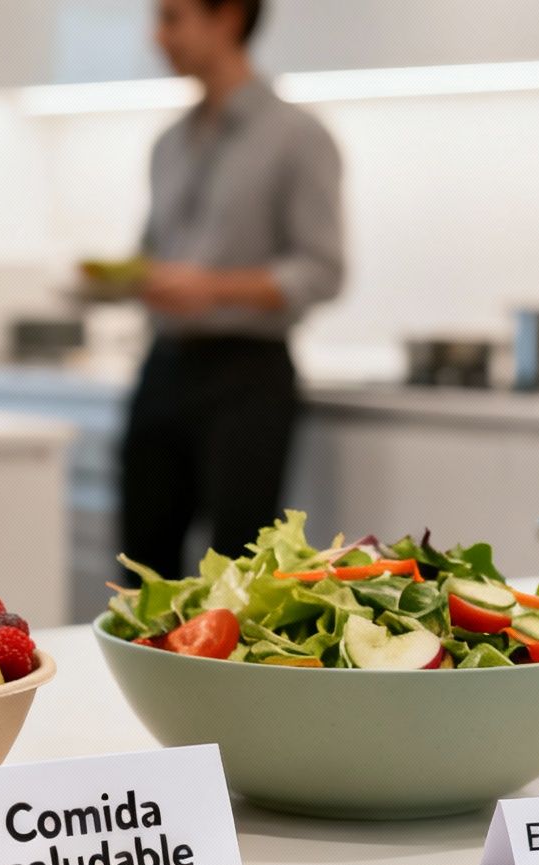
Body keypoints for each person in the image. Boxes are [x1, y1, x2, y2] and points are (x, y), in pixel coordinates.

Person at [120, 0, 345, 580]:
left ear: (228, 17)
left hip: (248, 378)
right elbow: (150, 256)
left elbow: (322, 270)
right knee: (139, 564)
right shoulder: (168, 143)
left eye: (173, 17)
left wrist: (213, 288)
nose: (158, 36)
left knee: (238, 570)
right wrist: (132, 279)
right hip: (163, 369)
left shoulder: (299, 137)